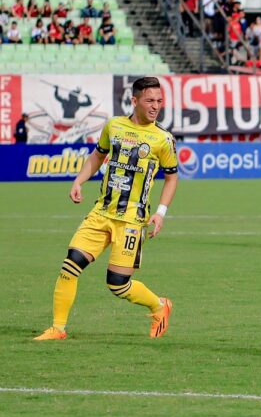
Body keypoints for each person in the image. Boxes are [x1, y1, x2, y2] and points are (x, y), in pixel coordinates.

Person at [34, 77, 179, 341]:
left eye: (159, 101)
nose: (156, 106)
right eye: (150, 100)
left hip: (132, 220)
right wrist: (78, 181)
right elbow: (98, 155)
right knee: (70, 266)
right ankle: (58, 328)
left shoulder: (163, 139)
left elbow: (171, 177)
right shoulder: (113, 126)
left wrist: (160, 212)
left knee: (117, 284)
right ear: (134, 101)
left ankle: (160, 306)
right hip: (101, 213)